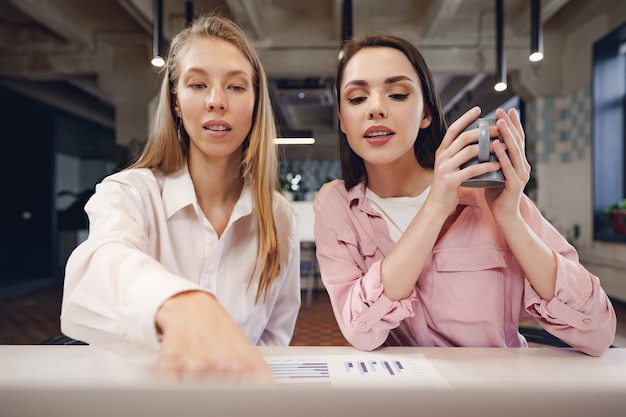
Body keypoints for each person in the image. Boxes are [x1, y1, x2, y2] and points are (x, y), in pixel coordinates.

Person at [313, 33, 617, 356]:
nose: (375, 108)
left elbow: (598, 330)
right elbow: (361, 330)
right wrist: (434, 208)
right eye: (357, 98)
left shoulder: (487, 194)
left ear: (426, 113)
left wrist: (510, 219)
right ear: (343, 121)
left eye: (397, 94)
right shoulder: (336, 205)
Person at [61, 14, 301, 379]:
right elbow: (98, 266)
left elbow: (274, 338)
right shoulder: (129, 194)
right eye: (198, 84)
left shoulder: (279, 216)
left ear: (254, 103)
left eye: (236, 87)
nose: (217, 101)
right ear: (175, 101)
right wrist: (179, 304)